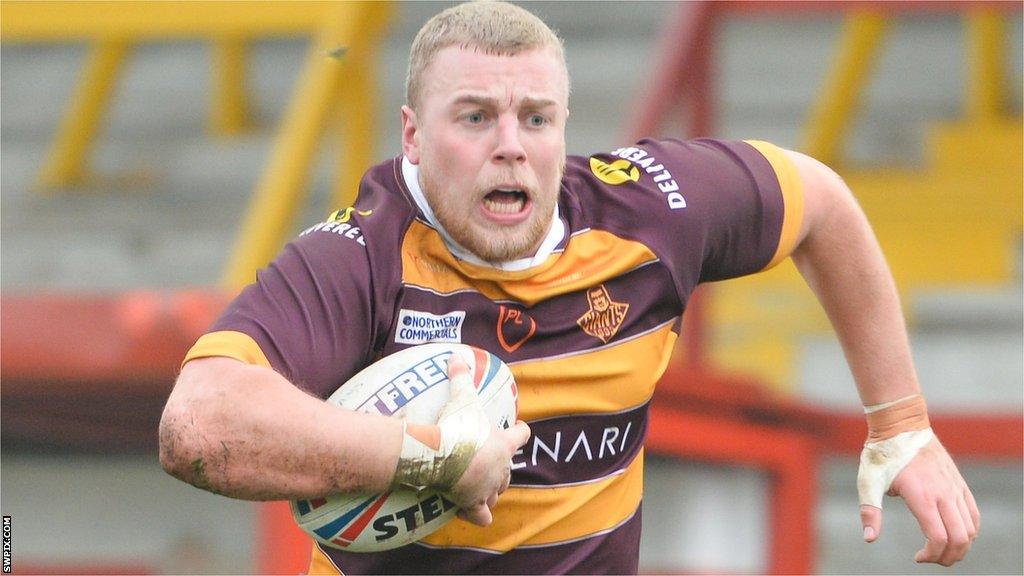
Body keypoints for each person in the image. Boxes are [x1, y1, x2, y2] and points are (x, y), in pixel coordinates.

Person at [158, 1, 980, 573]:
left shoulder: (653, 212)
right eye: (474, 117)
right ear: (412, 134)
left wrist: (901, 424)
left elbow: (823, 205)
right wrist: (430, 461)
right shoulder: (361, 256)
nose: (510, 147)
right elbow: (197, 424)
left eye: (537, 119)